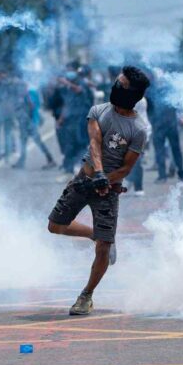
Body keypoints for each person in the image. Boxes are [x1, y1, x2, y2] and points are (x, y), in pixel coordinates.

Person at [48, 66, 150, 316]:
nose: (116, 85)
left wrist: (107, 181)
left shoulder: (138, 129)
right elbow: (95, 143)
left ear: (132, 94)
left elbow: (126, 167)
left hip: (109, 190)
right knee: (55, 226)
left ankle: (86, 295)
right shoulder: (98, 111)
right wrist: (98, 176)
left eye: (122, 84)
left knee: (104, 247)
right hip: (85, 179)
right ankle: (95, 234)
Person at [13, 79, 56, 170]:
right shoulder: (20, 96)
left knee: (38, 142)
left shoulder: (29, 94)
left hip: (30, 123)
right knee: (23, 142)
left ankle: (50, 159)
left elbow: (32, 106)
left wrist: (26, 95)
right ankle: (22, 161)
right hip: (23, 123)